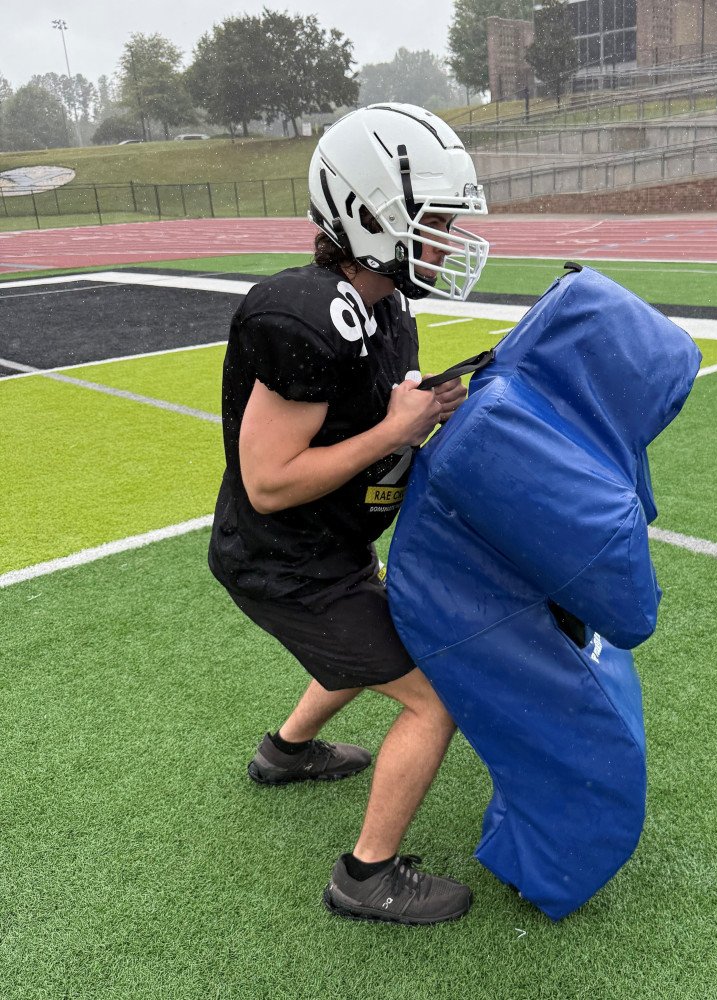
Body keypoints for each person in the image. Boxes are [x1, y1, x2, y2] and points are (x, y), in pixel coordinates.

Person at [208, 103, 489, 926]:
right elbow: (268, 481)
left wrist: (416, 409)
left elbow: (359, 412)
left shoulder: (382, 308)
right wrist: (393, 430)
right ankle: (365, 878)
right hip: (284, 565)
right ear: (369, 214)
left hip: (325, 551)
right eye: (431, 223)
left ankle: (283, 754)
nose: (445, 242)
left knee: (364, 646)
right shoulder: (305, 312)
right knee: (433, 697)